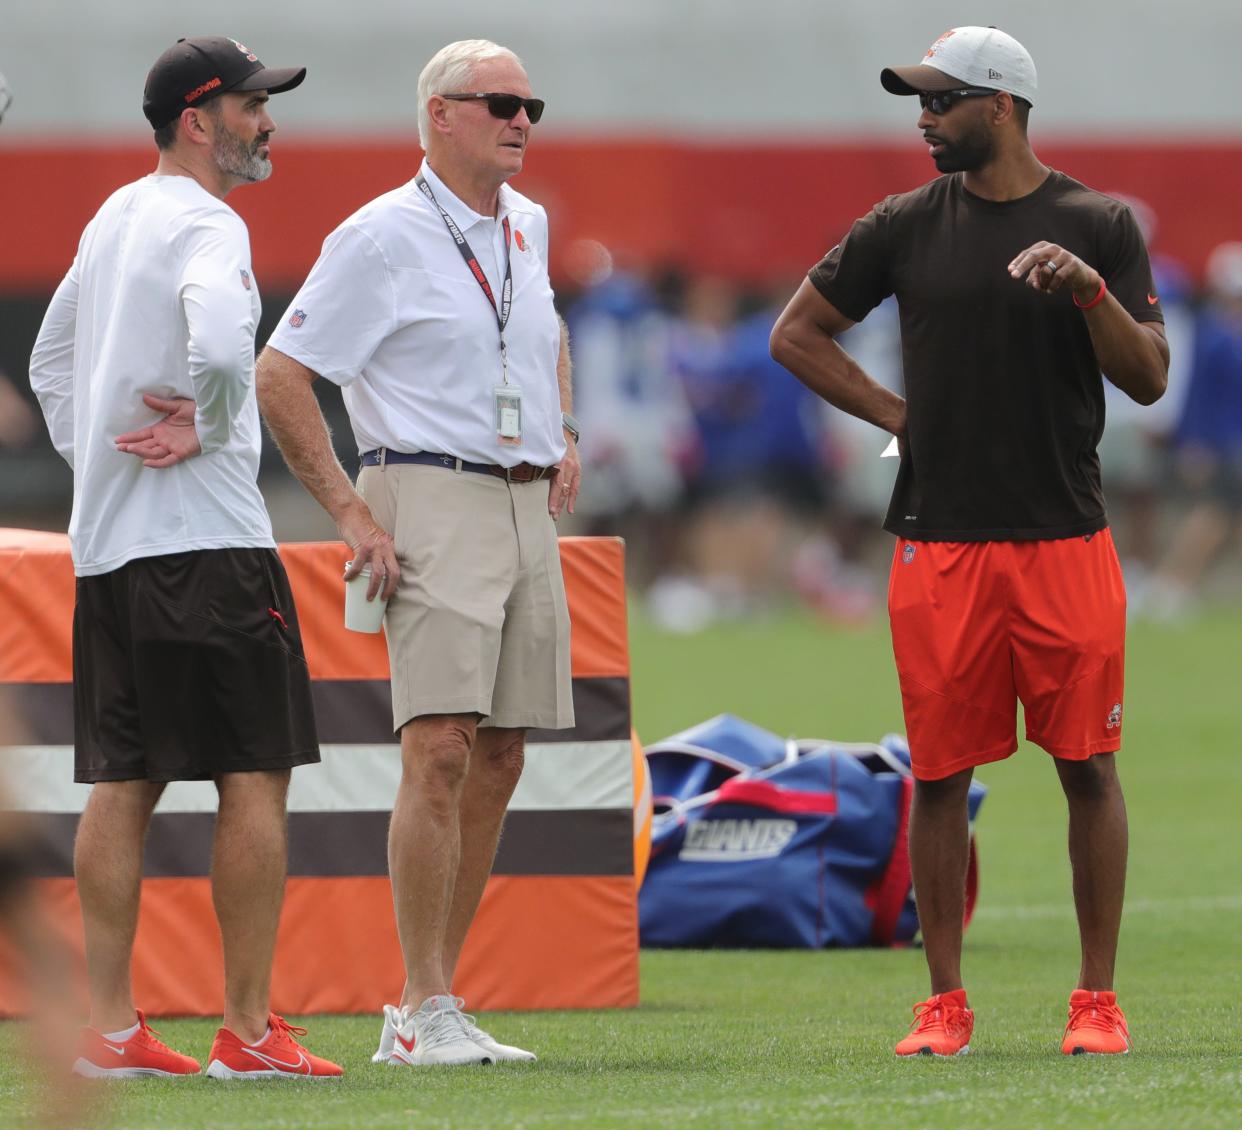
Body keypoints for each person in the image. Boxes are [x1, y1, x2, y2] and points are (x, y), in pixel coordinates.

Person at [770, 26, 1168, 1057]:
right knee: (939, 775)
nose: (922, 118)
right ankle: (944, 1004)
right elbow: (796, 333)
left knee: (1090, 765)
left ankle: (1097, 1001)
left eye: (940, 101)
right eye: (920, 100)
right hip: (938, 542)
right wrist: (897, 416)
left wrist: (1089, 291)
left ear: (1002, 105)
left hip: (1066, 538)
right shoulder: (902, 224)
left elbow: (1149, 374)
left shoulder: (1099, 223)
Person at [256, 38, 578, 1067]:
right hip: (429, 486)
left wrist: (563, 424)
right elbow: (282, 374)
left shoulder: (526, 222)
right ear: (439, 112)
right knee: (438, 742)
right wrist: (353, 514)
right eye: (498, 102)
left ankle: (430, 1000)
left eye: (530, 103)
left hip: (526, 497)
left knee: (504, 749)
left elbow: (542, 332)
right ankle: (424, 1003)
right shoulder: (380, 234)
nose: (521, 118)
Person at [28, 36, 340, 1080]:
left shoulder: (114, 213)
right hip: (208, 546)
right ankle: (248, 1031)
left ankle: (112, 1029)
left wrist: (102, 459)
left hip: (109, 548)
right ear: (200, 118)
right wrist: (203, 434)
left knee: (124, 781)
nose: (269, 123)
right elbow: (217, 351)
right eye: (256, 105)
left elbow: (48, 359)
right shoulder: (211, 221)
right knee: (254, 773)